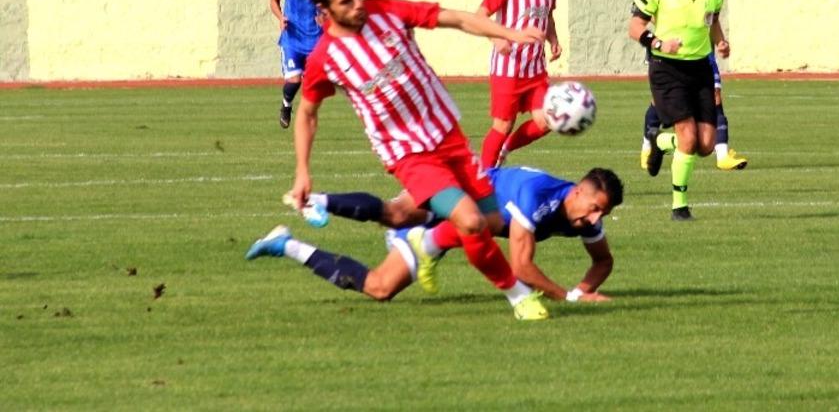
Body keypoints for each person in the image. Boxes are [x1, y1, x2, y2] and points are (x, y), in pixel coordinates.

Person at [258, 0, 551, 320]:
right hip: (409, 155)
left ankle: (421, 241)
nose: (358, 5)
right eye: (346, 1)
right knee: (471, 222)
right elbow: (307, 114)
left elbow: (455, 18)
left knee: (488, 224)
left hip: (448, 135)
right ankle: (519, 296)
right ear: (325, 9)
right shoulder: (325, 58)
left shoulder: (387, 12)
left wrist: (506, 33)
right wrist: (302, 170)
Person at [253, 166, 623, 304]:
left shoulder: (585, 217)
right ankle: (313, 199)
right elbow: (522, 267)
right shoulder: (536, 196)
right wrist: (571, 298)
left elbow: (603, 260)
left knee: (381, 288)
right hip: (455, 193)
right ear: (576, 191)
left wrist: (584, 288)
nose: (595, 219)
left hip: (460, 227)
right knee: (397, 213)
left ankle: (285, 243)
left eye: (602, 213)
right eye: (594, 208)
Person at [628, 0, 728, 221]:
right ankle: (679, 206)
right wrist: (658, 42)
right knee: (687, 137)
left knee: (706, 145)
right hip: (666, 68)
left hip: (699, 68)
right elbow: (634, 27)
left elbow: (712, 23)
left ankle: (660, 141)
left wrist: (720, 42)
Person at [477, 0, 561, 169]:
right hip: (508, 68)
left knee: (548, 120)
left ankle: (506, 148)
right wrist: (496, 38)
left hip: (535, 69)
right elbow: (479, 16)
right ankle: (482, 178)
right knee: (502, 125)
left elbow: (548, 16)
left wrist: (553, 39)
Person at [640, 52, 748, 170]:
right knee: (659, 100)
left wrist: (720, 41)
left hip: (701, 51)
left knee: (715, 94)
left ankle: (722, 156)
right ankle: (648, 147)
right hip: (668, 51)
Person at [269, 0, 322, 129]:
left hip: (317, 40)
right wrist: (280, 17)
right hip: (292, 40)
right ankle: (286, 106)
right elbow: (273, 0)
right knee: (294, 80)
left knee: (315, 85)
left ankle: (306, 118)